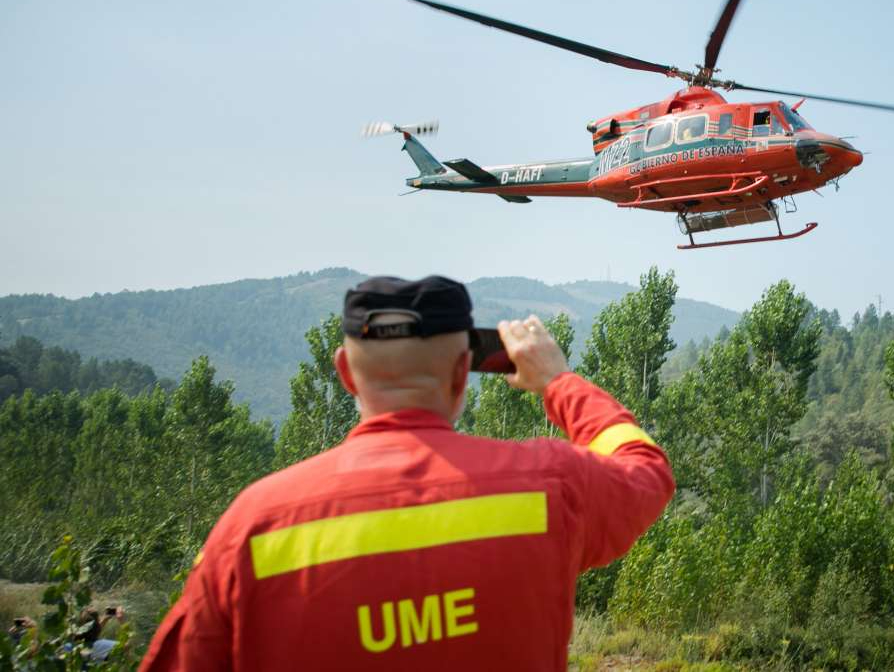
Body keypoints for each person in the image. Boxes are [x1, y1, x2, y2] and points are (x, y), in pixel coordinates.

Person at [140, 275, 674, 671]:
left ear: (346, 373)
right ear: (464, 371)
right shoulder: (549, 484)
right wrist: (558, 382)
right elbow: (644, 471)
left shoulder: (253, 524)